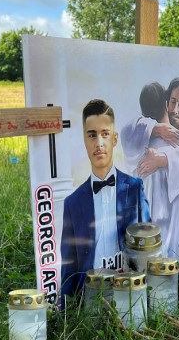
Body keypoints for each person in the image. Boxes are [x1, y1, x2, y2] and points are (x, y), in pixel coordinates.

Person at [60, 99, 151, 301]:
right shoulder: (72, 203)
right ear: (84, 140)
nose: (99, 143)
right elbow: (69, 267)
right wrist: (64, 318)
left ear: (115, 139)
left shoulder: (135, 189)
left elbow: (146, 249)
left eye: (105, 134)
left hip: (129, 293)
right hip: (91, 295)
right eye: (92, 135)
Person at [120, 77, 179, 259]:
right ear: (166, 104)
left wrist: (161, 158)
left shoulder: (137, 145)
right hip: (175, 230)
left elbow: (126, 131)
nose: (175, 108)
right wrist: (157, 128)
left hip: (147, 231)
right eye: (173, 102)